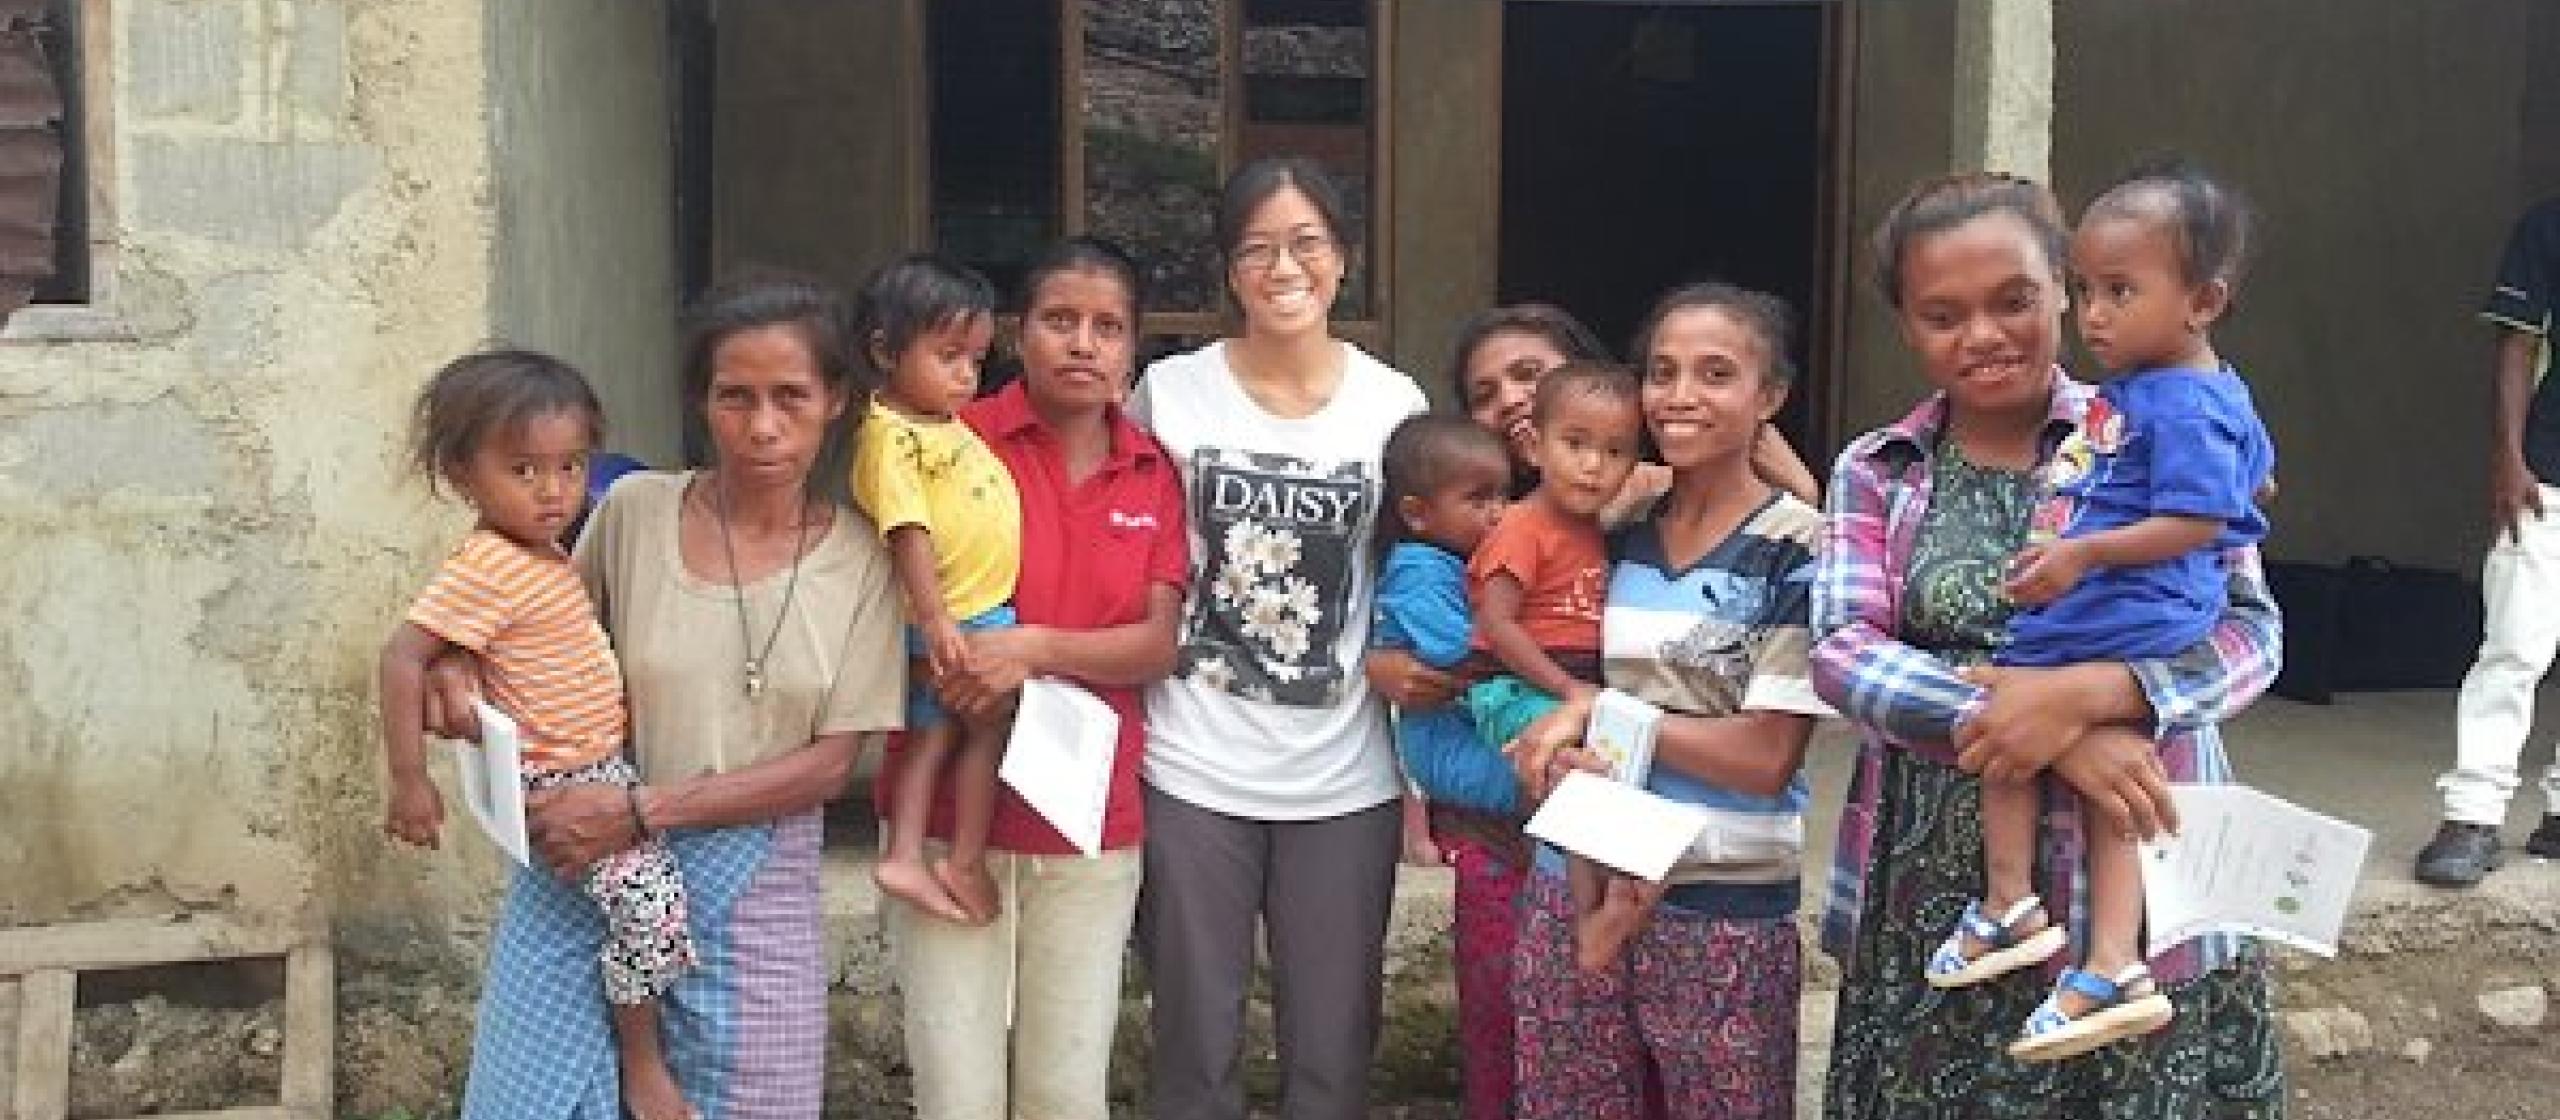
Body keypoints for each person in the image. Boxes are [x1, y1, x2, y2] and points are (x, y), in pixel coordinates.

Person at [1814, 172, 2286, 1119]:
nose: (1983, 335)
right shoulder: (1878, 469)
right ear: (1907, 326)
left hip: (2140, 881)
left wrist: (2105, 695)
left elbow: (2251, 632)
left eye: (2015, 300)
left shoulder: (2165, 430)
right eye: (1942, 313)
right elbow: (1841, 648)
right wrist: (2038, 722)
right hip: (1944, 895)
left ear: (2063, 291)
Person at [444, 273, 906, 1120]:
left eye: (790, 396)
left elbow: (830, 766)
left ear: (836, 398)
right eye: (735, 396)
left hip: (755, 887)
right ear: (700, 399)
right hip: (588, 870)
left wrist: (645, 810)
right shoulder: (633, 511)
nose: (763, 426)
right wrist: (448, 669)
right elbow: (538, 639)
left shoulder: (864, 563)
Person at [1929, 160, 2274, 1061]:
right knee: (2028, 744)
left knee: (2077, 772)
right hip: (2110, 608)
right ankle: (2061, 934)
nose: (2097, 316)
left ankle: (2060, 931)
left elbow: (2210, 532)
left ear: (2202, 301)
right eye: (2087, 290)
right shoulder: (2164, 393)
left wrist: (2084, 573)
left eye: (2119, 291)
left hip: (2128, 614)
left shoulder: (2179, 399)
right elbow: (2255, 469)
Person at [1130, 155, 1429, 1120]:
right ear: (1228, 270)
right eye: (1255, 248)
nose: (1283, 267)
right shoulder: (1168, 394)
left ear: (1343, 258)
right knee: (1192, 1042)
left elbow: (1414, 582)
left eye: (1306, 242)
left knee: (1334, 1049)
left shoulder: (1394, 408)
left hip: (1345, 776)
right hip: (1191, 764)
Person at [877, 236, 1189, 1120]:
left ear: (1133, 347)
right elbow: (888, 585)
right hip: (945, 821)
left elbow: (1158, 642)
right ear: (1018, 333)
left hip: (1089, 820)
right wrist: (957, 659)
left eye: (1107, 327)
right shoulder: (951, 438)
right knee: (954, 1092)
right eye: (1060, 320)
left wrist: (1033, 650)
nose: (1082, 343)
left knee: (1065, 1092)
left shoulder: (1152, 470)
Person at [1504, 281, 1830, 1120]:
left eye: (1716, 373)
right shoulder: (1612, 524)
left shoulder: (1800, 551)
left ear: (1772, 396)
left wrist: (1602, 713)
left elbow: (1764, 758)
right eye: (1662, 371)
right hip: (1574, 876)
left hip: (1720, 906)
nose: (1680, 396)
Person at [381, 350, 697, 1120]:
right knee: (652, 911)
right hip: (558, 783)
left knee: (639, 913)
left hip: (596, 769)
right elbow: (401, 656)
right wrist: (410, 779)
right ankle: (643, 1066)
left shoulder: (543, 553)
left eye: (568, 466)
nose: (553, 491)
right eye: (524, 470)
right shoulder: (490, 562)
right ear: (463, 475)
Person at [1464, 361, 1653, 973]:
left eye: (1615, 451)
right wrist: (1569, 690)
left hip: (1570, 684)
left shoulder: (1594, 528)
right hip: (1513, 685)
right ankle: (1591, 918)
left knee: (1617, 767)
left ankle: (1604, 903)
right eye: (1575, 445)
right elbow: (1498, 624)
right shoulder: (1522, 526)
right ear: (1535, 446)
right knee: (1578, 772)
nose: (1593, 466)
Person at [849, 254, 1020, 926]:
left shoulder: (940, 424)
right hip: (953, 617)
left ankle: (913, 853)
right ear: (886, 351)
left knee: (939, 734)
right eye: (949, 356)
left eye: (975, 361)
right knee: (980, 725)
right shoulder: (890, 437)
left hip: (973, 611)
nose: (966, 376)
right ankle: (956, 857)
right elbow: (907, 530)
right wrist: (937, 617)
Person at [2415, 193, 2560, 887]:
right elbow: (2517, 344)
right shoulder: (2546, 224)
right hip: (2548, 475)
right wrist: (2509, 456)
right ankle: (2472, 816)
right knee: (2514, 643)